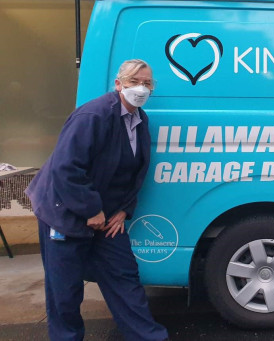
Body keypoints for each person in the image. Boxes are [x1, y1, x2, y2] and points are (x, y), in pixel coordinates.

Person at [25, 59, 168, 341]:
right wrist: (91, 210)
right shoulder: (93, 116)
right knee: (65, 291)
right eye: (134, 82)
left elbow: (135, 171)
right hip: (64, 212)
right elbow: (66, 167)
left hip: (107, 217)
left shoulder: (140, 120)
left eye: (147, 83)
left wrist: (124, 211)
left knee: (124, 278)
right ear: (118, 84)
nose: (141, 88)